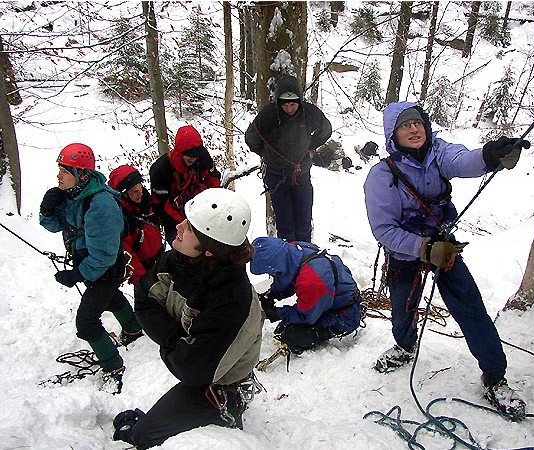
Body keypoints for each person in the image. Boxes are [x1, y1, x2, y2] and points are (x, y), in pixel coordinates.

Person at [363, 101, 531, 419]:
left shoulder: (438, 153)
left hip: (444, 245)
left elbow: (463, 160)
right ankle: (404, 345)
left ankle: (495, 377)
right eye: (405, 125)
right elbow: (384, 230)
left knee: (470, 307)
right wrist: (424, 250)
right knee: (403, 307)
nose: (414, 129)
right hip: (406, 251)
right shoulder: (381, 176)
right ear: (392, 135)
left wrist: (491, 155)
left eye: (418, 124)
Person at [116, 188, 263, 448]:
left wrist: (170, 336)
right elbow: (144, 298)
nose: (179, 226)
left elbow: (192, 370)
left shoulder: (232, 301)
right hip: (201, 365)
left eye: (190, 228)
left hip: (218, 385)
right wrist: (177, 339)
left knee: (143, 437)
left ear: (208, 250)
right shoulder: (180, 258)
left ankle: (223, 417)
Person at [38, 143, 143, 395]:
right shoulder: (72, 195)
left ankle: (113, 367)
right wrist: (47, 209)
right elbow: (54, 226)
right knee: (110, 299)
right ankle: (133, 328)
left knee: (86, 322)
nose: (58, 176)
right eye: (60, 170)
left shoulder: (101, 203)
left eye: (65, 170)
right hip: (89, 264)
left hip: (105, 269)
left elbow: (104, 255)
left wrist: (77, 275)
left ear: (82, 174)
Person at [244, 74, 332, 243]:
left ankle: (306, 261)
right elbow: (251, 138)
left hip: (301, 175)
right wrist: (267, 154)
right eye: (285, 104)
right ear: (278, 102)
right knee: (285, 226)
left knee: (304, 223)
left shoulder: (310, 113)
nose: (290, 108)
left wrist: (311, 146)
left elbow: (326, 130)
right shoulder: (268, 115)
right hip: (277, 176)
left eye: (293, 104)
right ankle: (289, 261)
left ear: (299, 101)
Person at [250, 237, 362, 354]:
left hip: (345, 314)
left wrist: (277, 313)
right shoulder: (294, 249)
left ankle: (331, 329)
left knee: (294, 336)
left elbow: (306, 316)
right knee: (285, 327)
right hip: (328, 297)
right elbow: (288, 275)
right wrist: (272, 294)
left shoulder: (311, 280)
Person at [150, 125, 221, 243]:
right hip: (174, 219)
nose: (193, 159)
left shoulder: (202, 158)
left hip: (201, 210)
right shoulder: (160, 170)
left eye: (195, 156)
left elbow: (213, 181)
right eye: (189, 157)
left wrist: (213, 207)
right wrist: (184, 223)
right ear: (180, 152)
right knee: (184, 251)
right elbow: (161, 206)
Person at [108, 164, 164, 285]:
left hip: (160, 259)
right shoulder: (120, 220)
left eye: (140, 188)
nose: (140, 193)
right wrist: (144, 283)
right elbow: (128, 256)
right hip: (144, 270)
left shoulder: (146, 202)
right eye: (135, 191)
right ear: (123, 194)